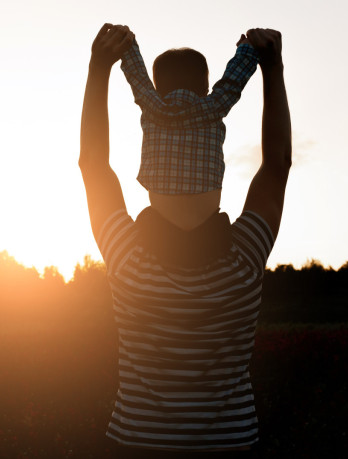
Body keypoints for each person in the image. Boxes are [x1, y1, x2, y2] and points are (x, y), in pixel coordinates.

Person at [79, 23, 291, 457]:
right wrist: (273, 68)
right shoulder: (244, 258)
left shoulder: (127, 256)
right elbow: (277, 167)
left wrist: (99, 68)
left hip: (137, 444)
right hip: (231, 445)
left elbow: (93, 165)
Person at [118, 35, 259, 231]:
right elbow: (233, 82)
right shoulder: (214, 106)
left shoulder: (152, 106)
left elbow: (137, 75)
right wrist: (247, 49)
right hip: (208, 225)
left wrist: (127, 43)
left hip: (160, 225)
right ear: (206, 87)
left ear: (157, 90)